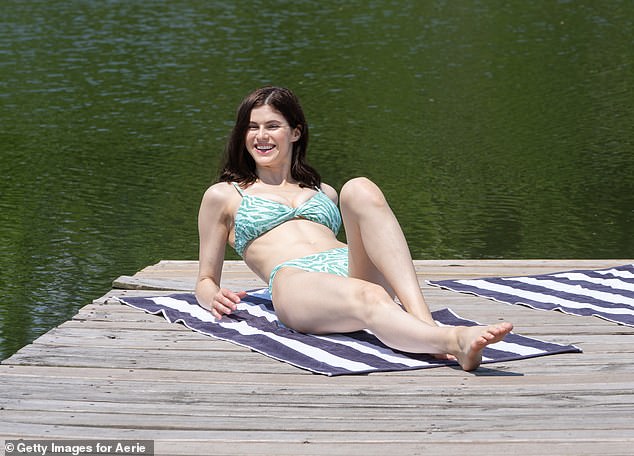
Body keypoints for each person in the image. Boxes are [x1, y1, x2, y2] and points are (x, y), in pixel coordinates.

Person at [195, 86, 513, 371]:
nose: (261, 136)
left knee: (359, 187)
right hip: (296, 282)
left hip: (345, 267)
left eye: (272, 126)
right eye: (252, 127)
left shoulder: (323, 191)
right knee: (370, 295)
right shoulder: (225, 195)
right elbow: (205, 280)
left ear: (295, 132)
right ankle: (453, 340)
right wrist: (213, 296)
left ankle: (422, 320)